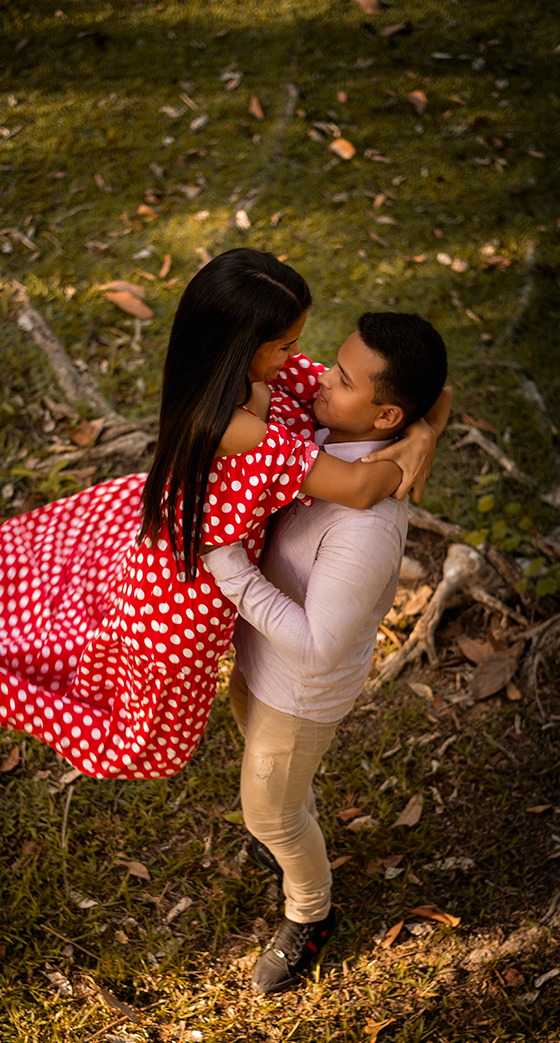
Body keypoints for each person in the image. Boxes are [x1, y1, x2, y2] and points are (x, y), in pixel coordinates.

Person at [0, 251, 442, 782]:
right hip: (183, 604)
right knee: (137, 738)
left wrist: (422, 429)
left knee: (89, 646)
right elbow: (357, 486)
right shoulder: (238, 428)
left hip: (165, 554)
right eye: (286, 345)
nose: (304, 360)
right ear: (246, 348)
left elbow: (427, 390)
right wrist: (415, 440)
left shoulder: (239, 375)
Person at [204, 311, 449, 994]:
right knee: (272, 775)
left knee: (269, 812)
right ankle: (295, 818)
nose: (320, 379)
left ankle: (310, 913)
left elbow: (318, 647)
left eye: (342, 379)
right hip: (258, 655)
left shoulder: (367, 531)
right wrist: (427, 428)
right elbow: (437, 397)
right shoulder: (327, 435)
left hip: (298, 690)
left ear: (386, 415)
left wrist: (226, 564)